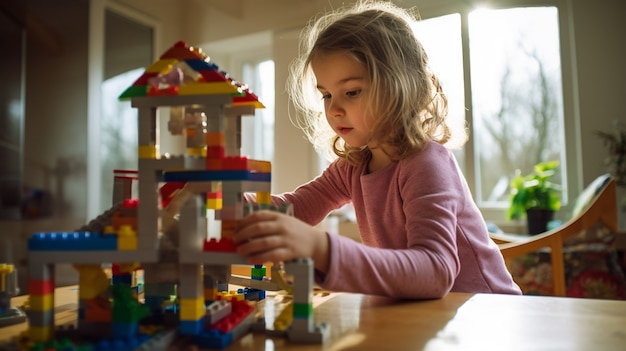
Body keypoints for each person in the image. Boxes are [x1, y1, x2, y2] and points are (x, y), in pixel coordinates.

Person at [233, 0, 522, 299]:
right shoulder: (353, 166)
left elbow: (435, 271)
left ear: (401, 86)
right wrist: (226, 193)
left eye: (352, 92)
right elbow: (294, 209)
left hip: (486, 312)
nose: (333, 109)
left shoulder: (426, 164)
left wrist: (322, 248)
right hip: (425, 315)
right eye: (327, 94)